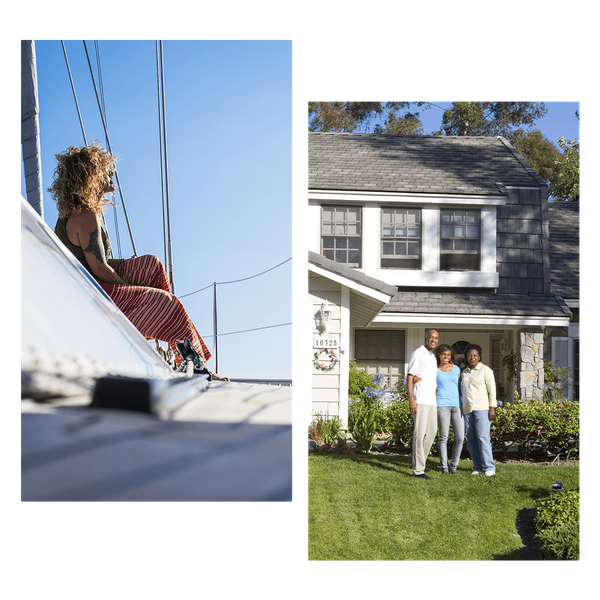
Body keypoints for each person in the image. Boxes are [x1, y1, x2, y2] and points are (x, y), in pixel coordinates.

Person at [48, 142, 229, 381]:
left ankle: (170, 347)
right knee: (168, 304)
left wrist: (128, 265)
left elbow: (93, 260)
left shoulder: (77, 213)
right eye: (104, 169)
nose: (110, 173)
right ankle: (193, 365)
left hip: (91, 286)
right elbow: (99, 268)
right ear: (90, 176)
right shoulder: (86, 215)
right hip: (94, 294)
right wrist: (129, 287)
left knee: (151, 265)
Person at [406, 329, 439, 479]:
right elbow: (410, 377)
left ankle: (421, 463)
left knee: (432, 432)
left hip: (431, 400)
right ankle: (418, 470)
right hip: (420, 400)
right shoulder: (418, 353)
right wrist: (412, 400)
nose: (433, 340)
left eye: (436, 338)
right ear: (426, 338)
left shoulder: (433, 357)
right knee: (419, 434)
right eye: (431, 337)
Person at [461, 344, 496, 476]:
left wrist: (492, 408)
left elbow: (492, 390)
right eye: (469, 355)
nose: (472, 358)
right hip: (467, 410)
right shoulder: (464, 372)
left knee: (483, 438)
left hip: (482, 409)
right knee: (470, 439)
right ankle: (477, 466)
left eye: (475, 355)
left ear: (479, 357)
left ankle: (489, 467)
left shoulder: (486, 370)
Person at [434, 344, 464, 474]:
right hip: (442, 405)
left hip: (457, 405)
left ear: (451, 356)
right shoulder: (435, 370)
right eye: (443, 354)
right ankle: (444, 467)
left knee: (460, 437)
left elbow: (462, 387)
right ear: (439, 355)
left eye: (448, 354)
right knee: (443, 437)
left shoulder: (456, 369)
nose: (446, 356)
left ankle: (454, 465)